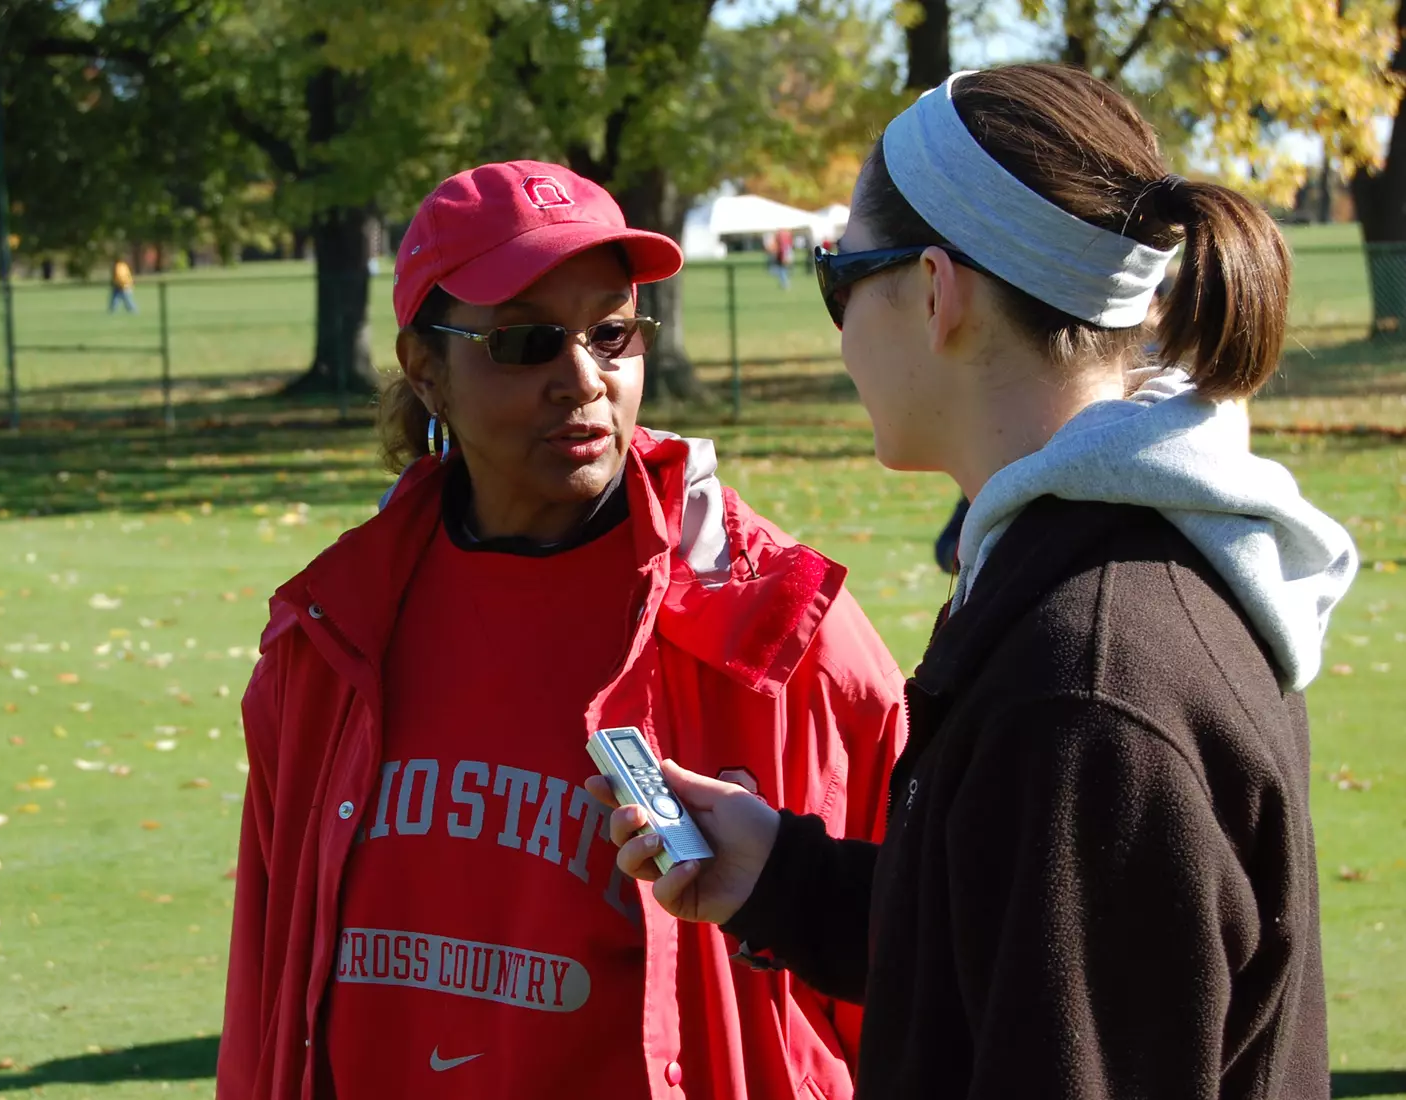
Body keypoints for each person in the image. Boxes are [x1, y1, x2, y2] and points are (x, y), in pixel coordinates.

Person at [596, 65, 1358, 1100]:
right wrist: (782, 877)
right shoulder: (1097, 575)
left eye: (840, 275)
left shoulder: (1084, 681)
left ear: (932, 291)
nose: (838, 327)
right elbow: (1004, 950)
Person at [217, 160, 908, 1100]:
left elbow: (920, 959)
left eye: (612, 333)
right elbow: (269, 992)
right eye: (526, 343)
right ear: (427, 371)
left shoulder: (777, 630)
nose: (582, 378)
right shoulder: (326, 641)